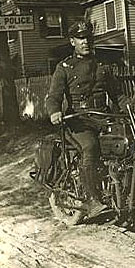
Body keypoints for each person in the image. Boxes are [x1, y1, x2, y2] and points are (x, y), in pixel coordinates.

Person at [46, 20, 127, 219]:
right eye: (81, 38)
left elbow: (117, 95)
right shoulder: (64, 67)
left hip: (103, 116)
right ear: (72, 41)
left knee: (126, 145)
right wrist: (54, 111)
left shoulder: (102, 65)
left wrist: (130, 106)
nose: (86, 42)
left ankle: (123, 197)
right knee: (90, 147)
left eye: (88, 38)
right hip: (79, 120)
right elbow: (53, 96)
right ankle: (92, 200)